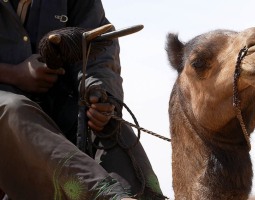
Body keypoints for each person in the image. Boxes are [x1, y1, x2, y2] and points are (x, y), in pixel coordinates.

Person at [0, 0, 165, 199]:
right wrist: (13, 74)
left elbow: (98, 48)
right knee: (14, 110)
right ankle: (105, 195)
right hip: (8, 112)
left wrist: (99, 92)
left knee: (105, 121)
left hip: (60, 104)